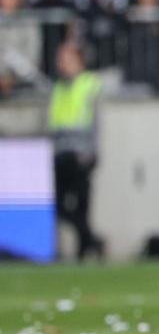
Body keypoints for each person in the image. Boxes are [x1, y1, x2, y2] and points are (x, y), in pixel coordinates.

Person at [48, 41, 104, 261]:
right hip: (61, 153)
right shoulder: (58, 86)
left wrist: (93, 152)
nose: (60, 64)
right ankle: (92, 240)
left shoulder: (89, 84)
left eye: (66, 59)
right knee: (60, 207)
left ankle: (85, 249)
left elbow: (98, 123)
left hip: (81, 154)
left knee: (82, 206)